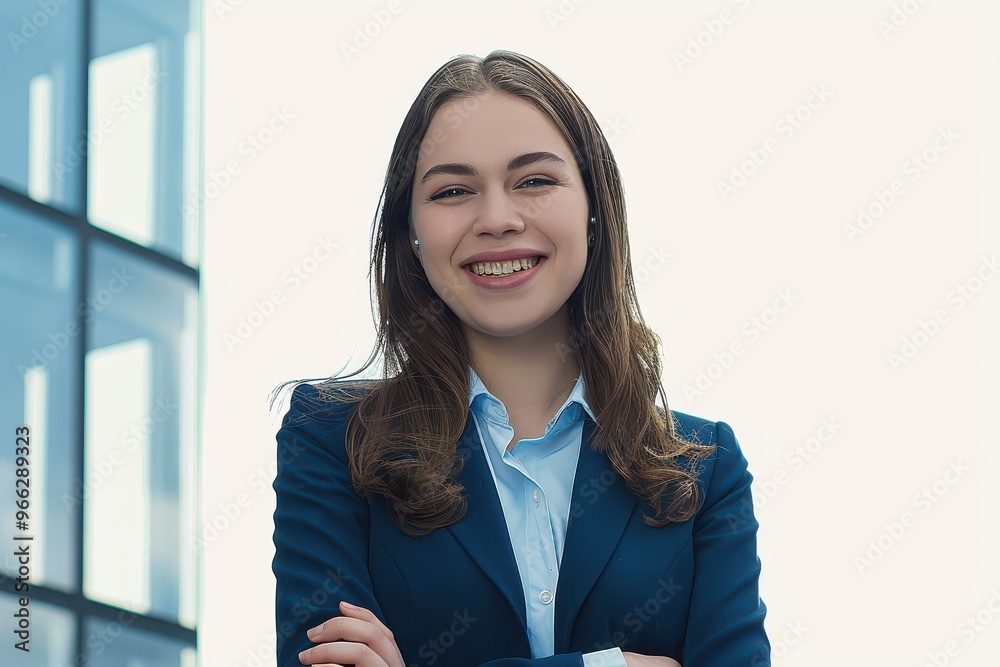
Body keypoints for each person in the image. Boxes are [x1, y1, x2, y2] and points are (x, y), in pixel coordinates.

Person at [271, 49, 770, 667]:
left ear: (593, 206)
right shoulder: (330, 439)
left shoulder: (705, 469)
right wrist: (606, 666)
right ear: (412, 233)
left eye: (534, 180)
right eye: (453, 191)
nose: (498, 219)